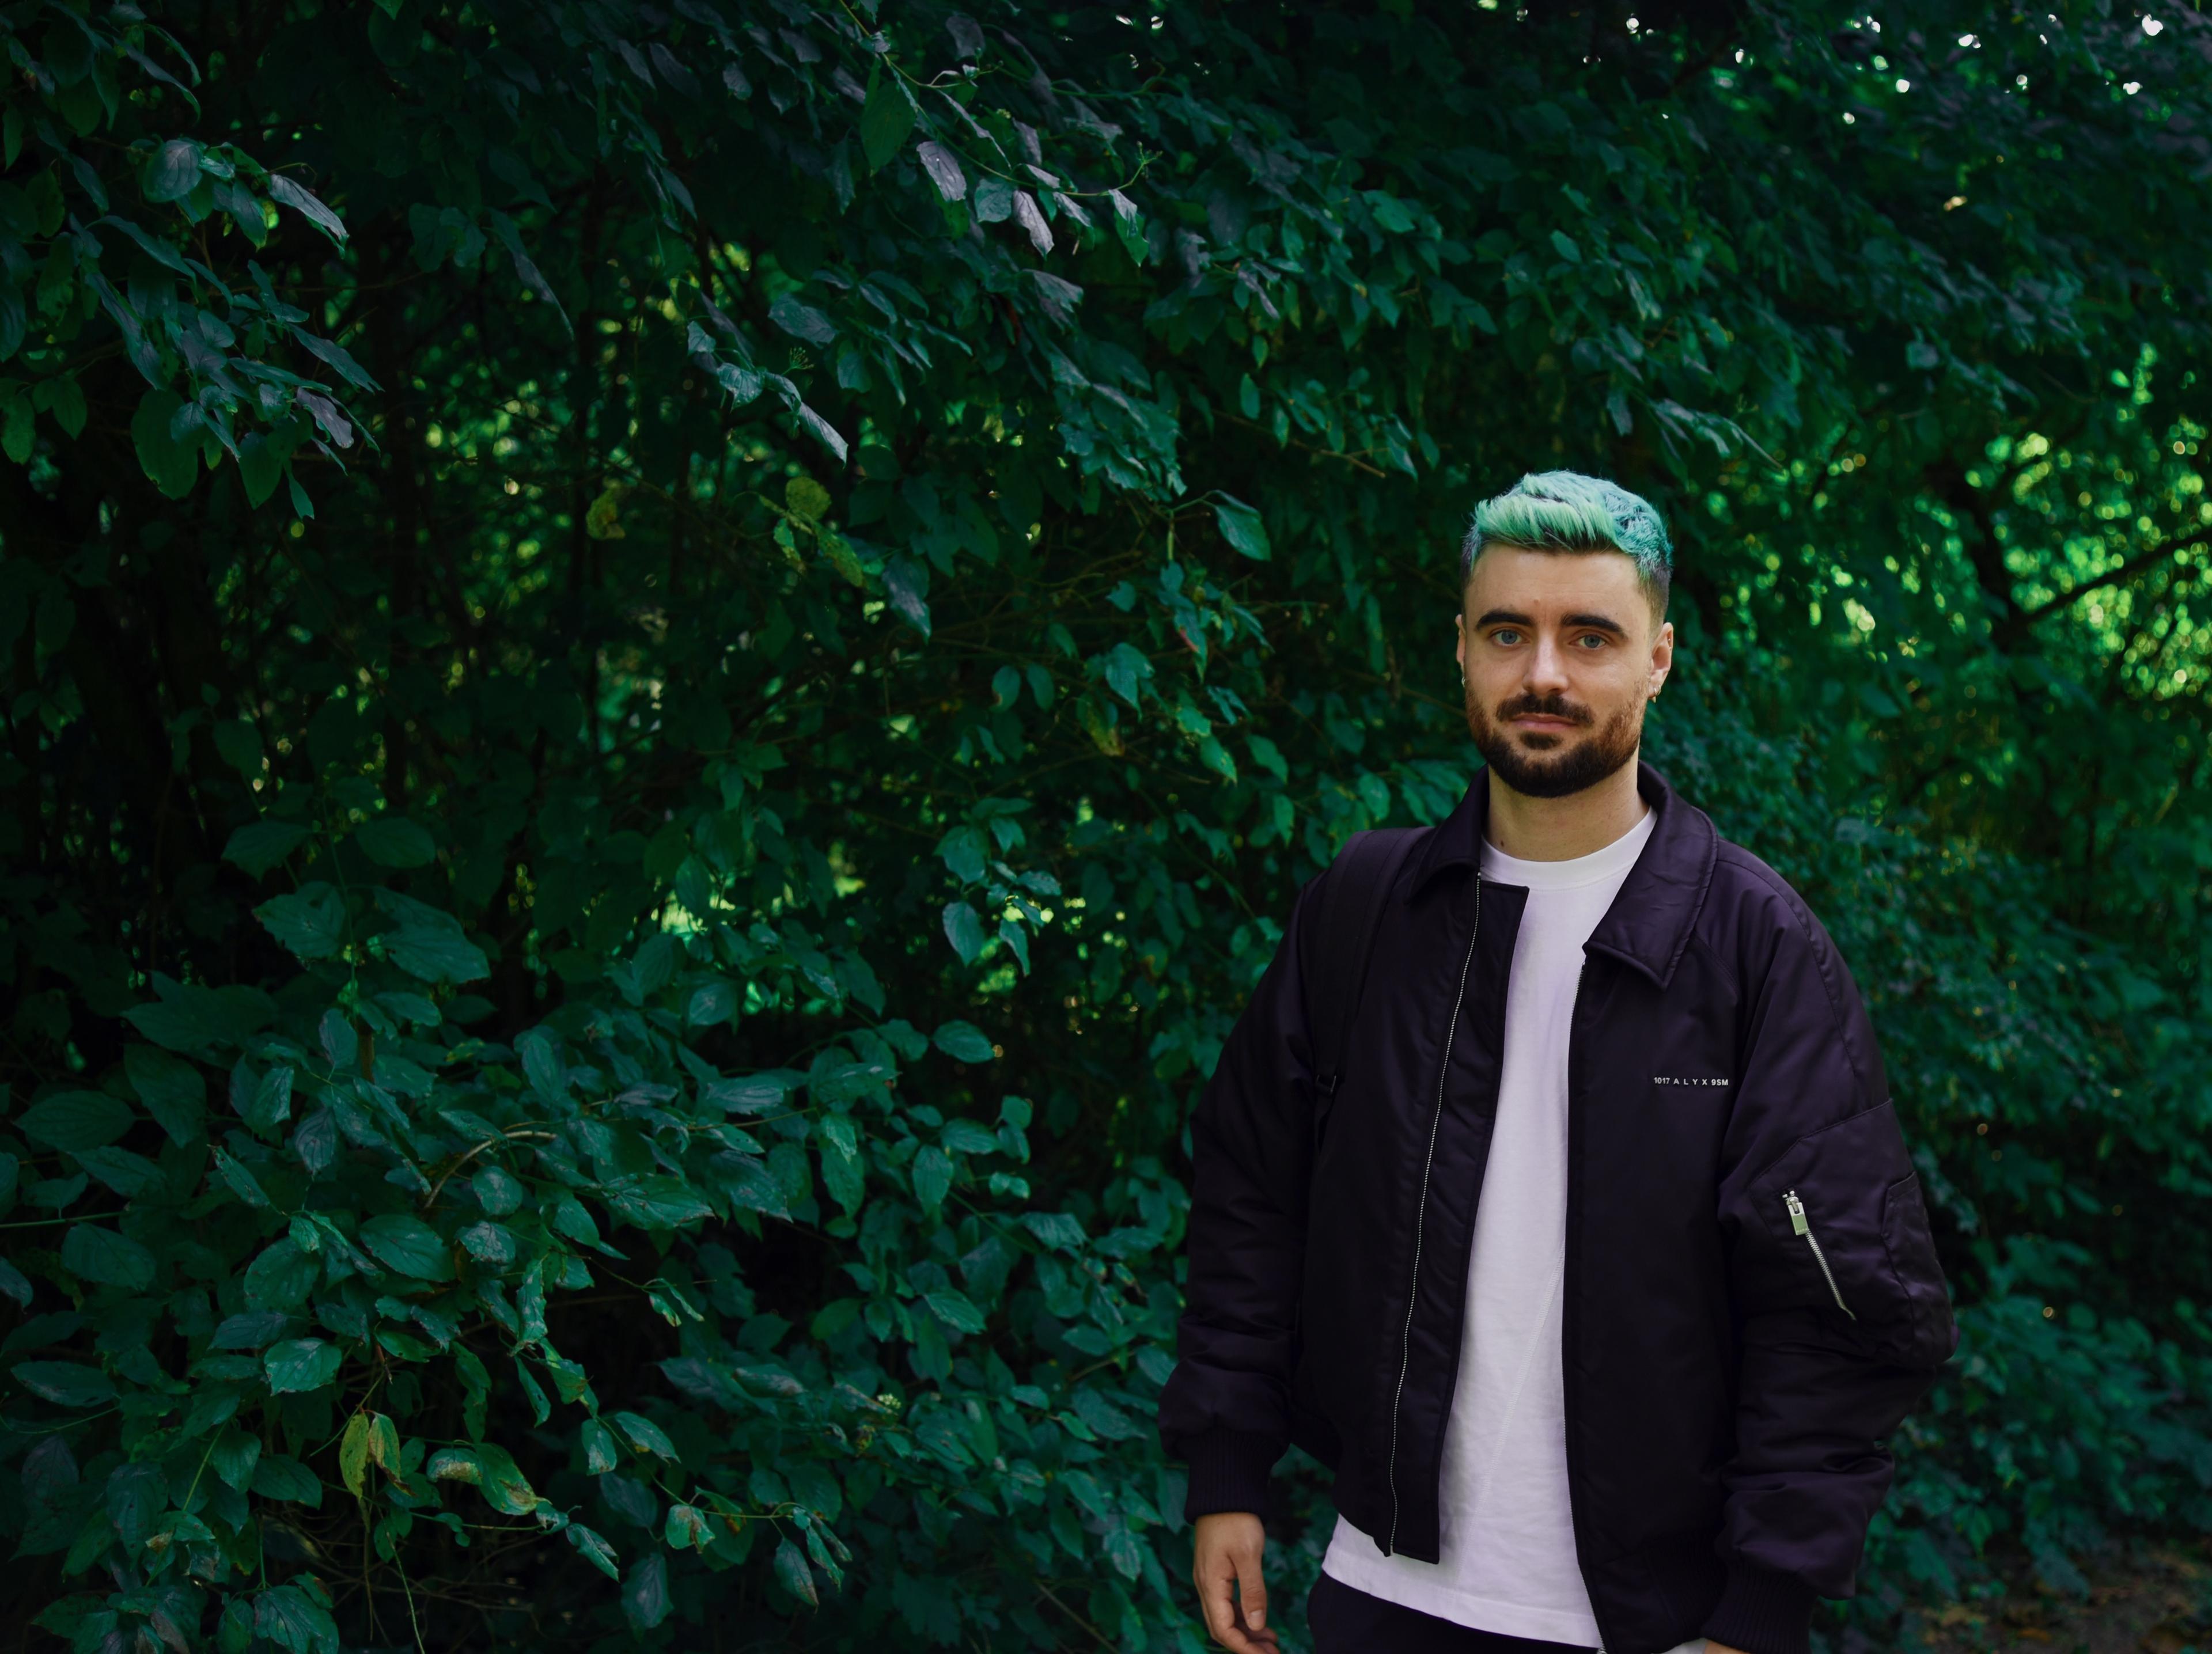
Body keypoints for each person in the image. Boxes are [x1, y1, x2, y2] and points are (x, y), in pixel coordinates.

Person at [1158, 472, 1956, 1654]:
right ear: (1464, 652)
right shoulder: (1368, 912)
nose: (1544, 674)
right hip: (1377, 1589)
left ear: (1660, 658)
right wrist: (1229, 1466)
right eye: (1508, 632)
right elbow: (1251, 1200)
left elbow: (1837, 1301)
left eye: (1591, 636)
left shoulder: (1752, 947)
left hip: (1644, 1617)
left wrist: (1760, 1606)